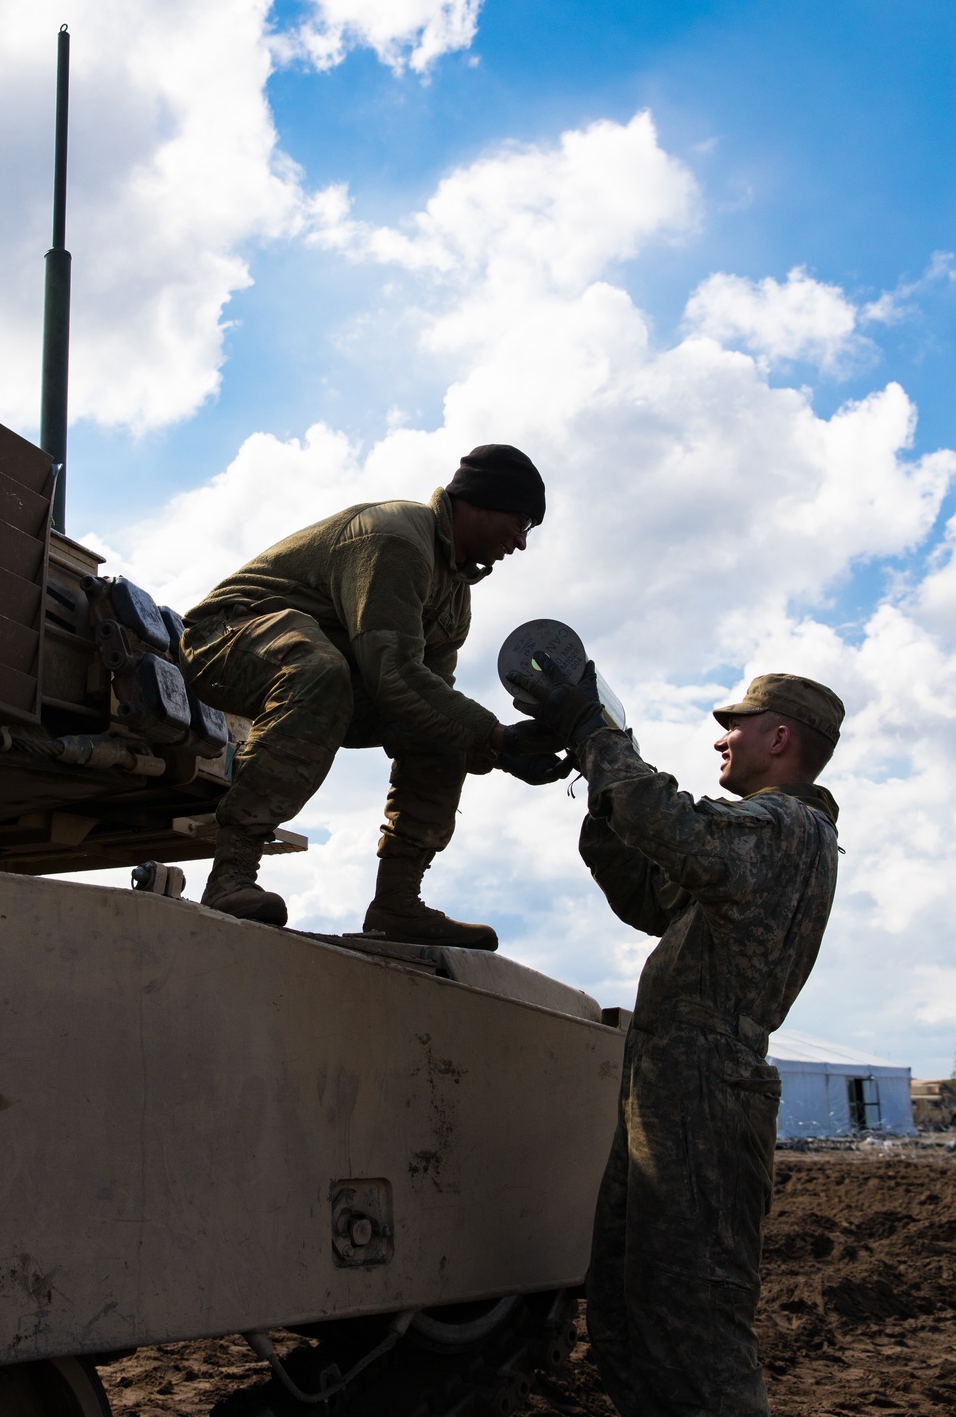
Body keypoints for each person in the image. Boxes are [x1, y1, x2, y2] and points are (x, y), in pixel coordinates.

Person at [507, 661, 845, 1417]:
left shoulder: (784, 828)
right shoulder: (762, 844)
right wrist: (597, 787)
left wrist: (596, 732)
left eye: (736, 725)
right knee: (630, 1314)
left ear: (780, 736)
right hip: (670, 1098)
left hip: (703, 1101)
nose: (721, 739)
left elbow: (671, 822)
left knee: (697, 1330)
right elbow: (647, 892)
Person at [179, 444, 569, 943]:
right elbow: (394, 675)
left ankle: (397, 904)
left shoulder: (455, 595)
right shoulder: (397, 540)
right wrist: (497, 736)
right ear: (481, 503)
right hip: (225, 638)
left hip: (333, 667)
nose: (520, 543)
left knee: (439, 729)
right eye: (520, 523)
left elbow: (429, 698)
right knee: (318, 669)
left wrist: (503, 749)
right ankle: (231, 875)